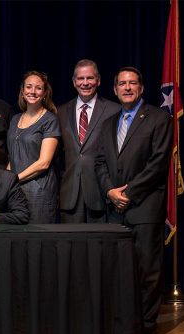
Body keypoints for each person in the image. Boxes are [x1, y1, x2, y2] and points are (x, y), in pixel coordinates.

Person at [94, 67, 173, 334]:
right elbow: (101, 162)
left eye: (132, 83)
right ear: (114, 89)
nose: (127, 88)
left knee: (146, 270)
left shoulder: (159, 118)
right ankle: (122, 324)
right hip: (114, 209)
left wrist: (129, 193)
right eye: (122, 84)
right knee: (118, 270)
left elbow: (158, 163)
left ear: (141, 87)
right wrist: (110, 192)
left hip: (145, 208)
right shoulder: (108, 123)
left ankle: (146, 327)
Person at [58, 59, 120, 223]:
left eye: (90, 78)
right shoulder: (60, 111)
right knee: (70, 247)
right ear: (74, 82)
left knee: (99, 248)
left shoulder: (114, 110)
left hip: (101, 194)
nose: (85, 83)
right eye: (80, 78)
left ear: (98, 80)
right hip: (69, 196)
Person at [7, 71, 60, 223]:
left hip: (38, 191)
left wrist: (14, 180)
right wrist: (5, 182)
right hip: (15, 190)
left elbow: (44, 163)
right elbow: (13, 156)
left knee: (38, 240)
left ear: (44, 93)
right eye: (28, 87)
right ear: (22, 91)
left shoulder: (50, 120)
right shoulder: (15, 119)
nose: (32, 91)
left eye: (38, 88)